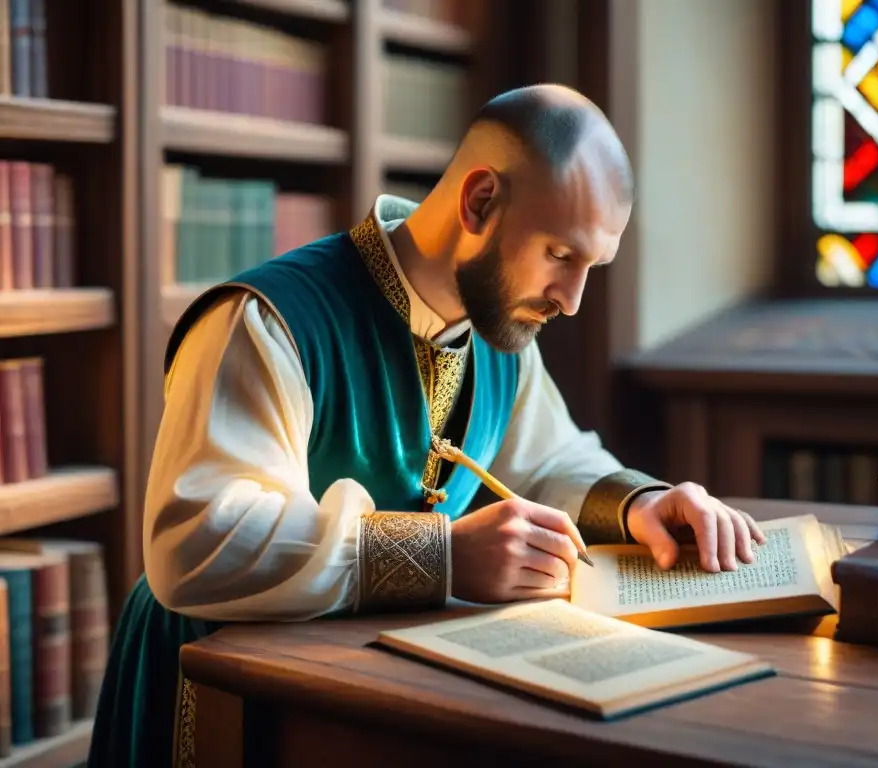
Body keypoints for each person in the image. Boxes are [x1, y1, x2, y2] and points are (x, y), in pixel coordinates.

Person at [87, 83, 766, 768]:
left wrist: (641, 503)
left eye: (591, 266)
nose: (572, 299)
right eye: (561, 255)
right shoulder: (267, 322)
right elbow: (201, 542)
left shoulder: (500, 332)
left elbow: (547, 461)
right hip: (214, 686)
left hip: (373, 687)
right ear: (480, 202)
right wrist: (444, 555)